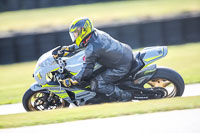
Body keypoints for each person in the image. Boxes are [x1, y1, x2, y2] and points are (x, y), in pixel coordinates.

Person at [55, 17, 134, 102]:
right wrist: (69, 49)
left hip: (121, 66)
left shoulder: (92, 48)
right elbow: (84, 43)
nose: (74, 36)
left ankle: (125, 96)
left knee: (97, 84)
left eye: (76, 33)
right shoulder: (95, 34)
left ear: (84, 31)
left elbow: (86, 70)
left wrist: (73, 80)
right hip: (125, 53)